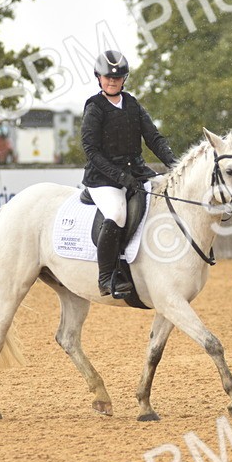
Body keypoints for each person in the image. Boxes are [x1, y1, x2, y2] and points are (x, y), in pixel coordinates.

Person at [81, 50, 178, 297]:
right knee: (117, 213)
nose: (112, 81)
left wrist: (175, 165)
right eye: (107, 77)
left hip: (136, 172)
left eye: (117, 77)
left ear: (124, 79)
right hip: (103, 179)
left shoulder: (132, 104)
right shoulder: (95, 107)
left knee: (168, 194)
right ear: (99, 77)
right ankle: (106, 277)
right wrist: (121, 177)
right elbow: (91, 151)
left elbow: (154, 138)